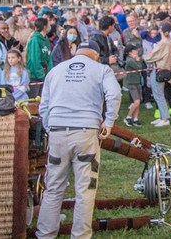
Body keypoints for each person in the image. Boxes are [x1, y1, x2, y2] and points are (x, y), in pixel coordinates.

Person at [36, 40, 121, 239]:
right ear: (96, 55)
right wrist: (108, 122)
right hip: (86, 132)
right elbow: (114, 94)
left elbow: (44, 106)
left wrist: (51, 127)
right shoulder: (101, 70)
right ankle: (80, 235)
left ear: (77, 51)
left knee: (53, 187)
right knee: (86, 188)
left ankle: (45, 234)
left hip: (58, 132)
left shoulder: (56, 70)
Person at [144, 25, 171, 127]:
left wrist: (144, 57)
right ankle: (163, 116)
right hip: (165, 69)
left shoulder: (163, 43)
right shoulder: (170, 41)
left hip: (159, 69)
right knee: (159, 94)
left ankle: (165, 118)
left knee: (159, 95)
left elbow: (153, 56)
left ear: (161, 32)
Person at [25, 17, 51, 98]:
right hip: (35, 75)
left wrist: (50, 72)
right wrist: (42, 76)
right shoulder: (35, 39)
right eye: (48, 24)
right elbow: (35, 60)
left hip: (44, 72)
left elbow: (49, 57)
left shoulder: (46, 38)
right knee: (34, 100)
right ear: (44, 26)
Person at [122, 43, 145, 126]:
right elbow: (139, 68)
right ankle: (128, 117)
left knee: (138, 101)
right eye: (134, 50)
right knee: (137, 101)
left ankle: (136, 118)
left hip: (137, 82)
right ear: (129, 53)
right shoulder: (130, 60)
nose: (136, 51)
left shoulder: (133, 59)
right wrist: (138, 59)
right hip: (132, 83)